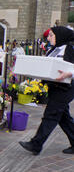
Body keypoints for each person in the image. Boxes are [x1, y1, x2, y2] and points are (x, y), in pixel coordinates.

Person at [19, 26, 74, 155]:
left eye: (51, 35)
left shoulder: (70, 48)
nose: (48, 38)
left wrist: (69, 74)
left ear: (60, 36)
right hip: (55, 87)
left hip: (66, 88)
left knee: (51, 114)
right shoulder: (55, 49)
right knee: (63, 117)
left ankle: (36, 144)